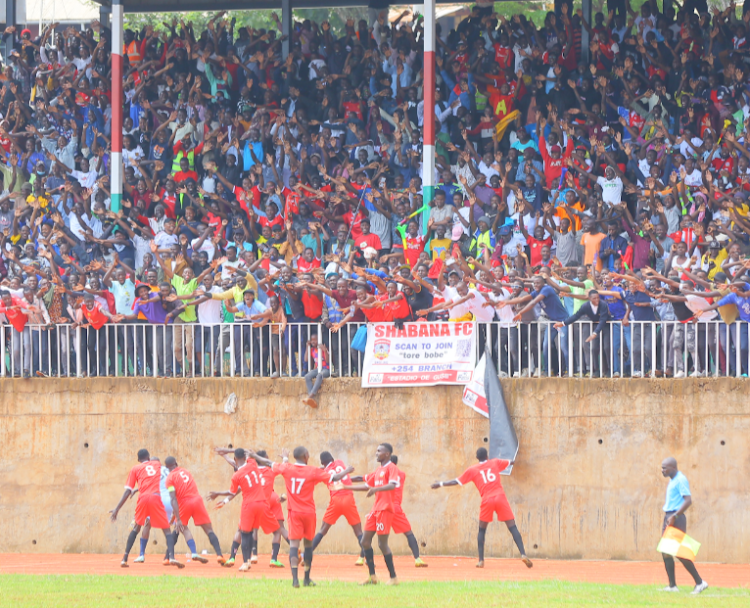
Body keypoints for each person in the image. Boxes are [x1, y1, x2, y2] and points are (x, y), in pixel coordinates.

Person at [248, 446, 349, 587]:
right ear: (306, 456)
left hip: (294, 513)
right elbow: (336, 477)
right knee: (308, 546)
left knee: (294, 545)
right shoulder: (313, 471)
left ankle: (295, 580)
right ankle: (306, 578)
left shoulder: (287, 468)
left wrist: (255, 456)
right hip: (309, 513)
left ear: (295, 457)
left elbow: (268, 462)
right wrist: (348, 470)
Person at [431, 447, 532, 569]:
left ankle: (481, 560)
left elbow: (456, 481)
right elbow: (510, 462)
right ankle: (523, 554)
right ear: (487, 456)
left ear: (477, 457)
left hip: (487, 499)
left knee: (482, 530)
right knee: (512, 527)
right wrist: (512, 459)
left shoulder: (472, 470)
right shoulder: (495, 462)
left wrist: (440, 484)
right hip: (500, 497)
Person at [208, 448, 280, 572]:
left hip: (249, 505)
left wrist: (218, 493)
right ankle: (253, 557)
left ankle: (245, 562)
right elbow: (247, 451)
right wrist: (227, 451)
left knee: (244, 533)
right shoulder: (252, 463)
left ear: (235, 459)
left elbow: (232, 492)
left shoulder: (236, 476)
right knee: (253, 532)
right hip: (262, 503)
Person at [108, 449, 181, 568]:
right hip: (156, 498)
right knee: (166, 530)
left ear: (138, 460)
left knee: (137, 527)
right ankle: (171, 557)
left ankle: (125, 559)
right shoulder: (157, 464)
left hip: (142, 498)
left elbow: (127, 491)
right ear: (149, 457)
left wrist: (116, 509)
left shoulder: (135, 468)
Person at [347, 443, 400, 585]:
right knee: (364, 541)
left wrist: (376, 489)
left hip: (385, 509)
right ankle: (372, 577)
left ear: (387, 454)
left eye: (379, 451)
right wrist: (346, 486)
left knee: (382, 544)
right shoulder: (378, 470)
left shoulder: (392, 468)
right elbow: (366, 486)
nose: (376, 453)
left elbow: (392, 484)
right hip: (375, 510)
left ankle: (393, 578)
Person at [164, 456, 225, 565]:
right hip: (197, 500)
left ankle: (188, 553)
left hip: (184, 502)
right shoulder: (186, 471)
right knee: (209, 530)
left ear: (167, 467)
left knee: (181, 528)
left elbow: (173, 499)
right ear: (176, 463)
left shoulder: (169, 479)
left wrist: (177, 518)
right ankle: (219, 555)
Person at [659, 457, 708, 594]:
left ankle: (700, 582)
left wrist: (675, 516)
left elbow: (688, 500)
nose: (662, 470)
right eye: (662, 467)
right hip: (670, 517)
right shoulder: (673, 480)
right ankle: (672, 586)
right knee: (666, 551)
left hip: (676, 518)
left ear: (673, 468)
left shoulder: (680, 480)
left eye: (665, 468)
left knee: (678, 551)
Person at [311, 451, 362, 557]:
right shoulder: (339, 462)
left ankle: (305, 555)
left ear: (322, 463)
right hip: (348, 498)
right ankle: (365, 557)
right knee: (358, 531)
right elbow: (340, 475)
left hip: (336, 500)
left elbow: (328, 474)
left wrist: (322, 469)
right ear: (332, 459)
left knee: (323, 530)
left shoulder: (324, 472)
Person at [388, 455, 428, 567]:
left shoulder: (385, 473)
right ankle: (417, 559)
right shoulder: (402, 474)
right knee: (408, 533)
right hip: (396, 507)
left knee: (370, 532)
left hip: (384, 506)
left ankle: (363, 558)